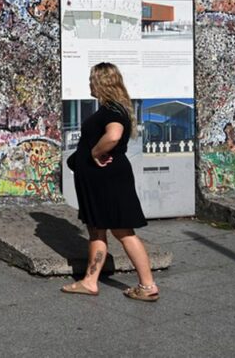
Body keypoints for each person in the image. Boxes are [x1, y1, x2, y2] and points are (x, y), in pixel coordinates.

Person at [62, 62, 158, 302]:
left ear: (101, 82)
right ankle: (90, 281)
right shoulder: (117, 108)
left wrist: (94, 153)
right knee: (100, 229)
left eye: (91, 80)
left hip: (105, 180)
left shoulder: (112, 111)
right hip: (105, 179)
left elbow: (113, 135)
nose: (89, 84)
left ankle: (147, 285)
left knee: (121, 231)